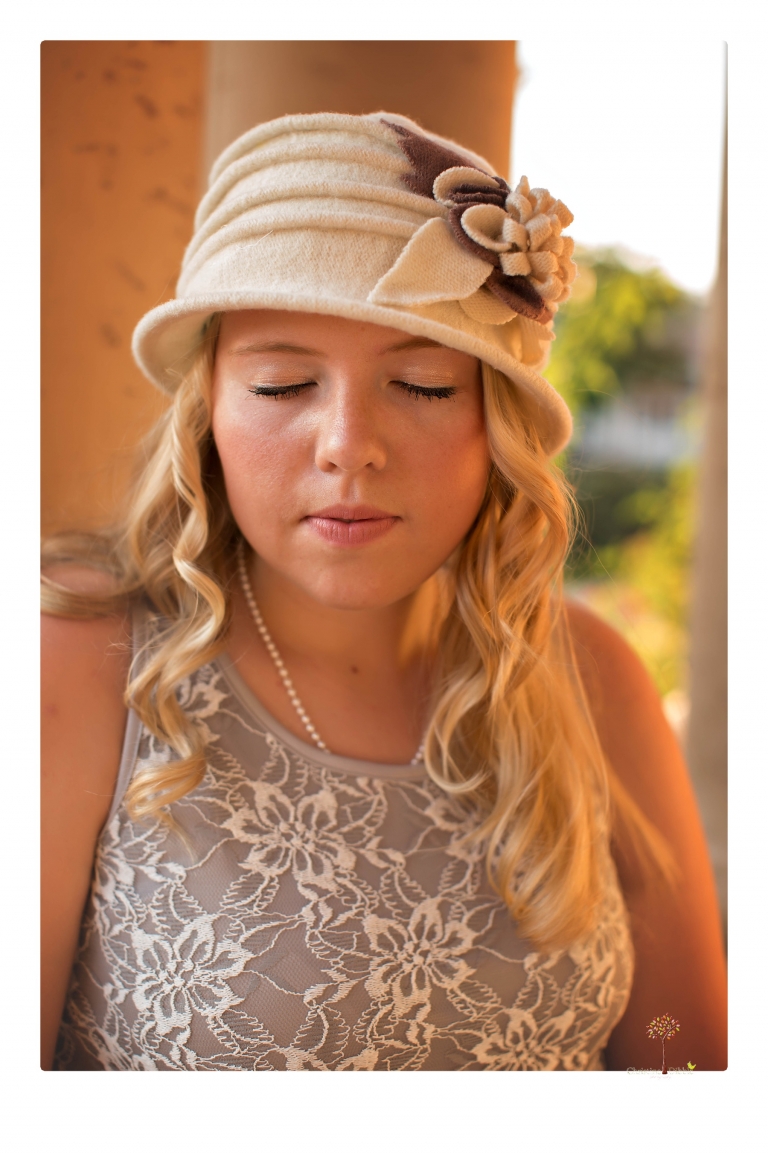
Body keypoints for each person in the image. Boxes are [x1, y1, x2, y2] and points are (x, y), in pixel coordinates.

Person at [41, 111, 727, 1072]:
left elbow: (678, 1059)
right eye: (282, 385)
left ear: (498, 426)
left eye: (425, 386)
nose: (346, 444)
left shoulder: (589, 674)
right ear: (208, 413)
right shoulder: (74, 657)